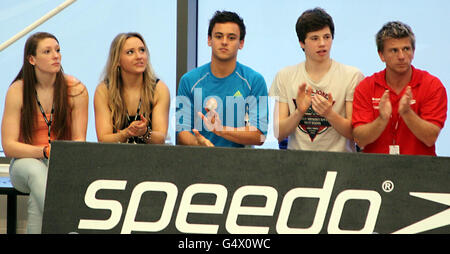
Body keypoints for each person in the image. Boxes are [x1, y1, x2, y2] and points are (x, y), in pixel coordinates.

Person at [1, 32, 89, 233]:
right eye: (47, 52)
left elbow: (78, 142)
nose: (55, 56)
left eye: (57, 50)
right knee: (36, 171)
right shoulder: (18, 90)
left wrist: (56, 156)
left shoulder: (76, 89)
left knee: (38, 202)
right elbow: (9, 147)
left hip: (61, 164)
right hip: (25, 163)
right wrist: (44, 152)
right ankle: (67, 225)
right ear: (32, 59)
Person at [269, 7, 364, 152]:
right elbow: (279, 133)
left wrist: (329, 114)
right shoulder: (285, 76)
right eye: (315, 38)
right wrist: (299, 112)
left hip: (341, 164)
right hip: (298, 164)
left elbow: (356, 135)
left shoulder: (352, 75)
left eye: (327, 37)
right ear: (301, 42)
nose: (322, 43)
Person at [352, 21, 447, 156]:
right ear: (381, 55)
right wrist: (382, 119)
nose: (402, 56)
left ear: (413, 52)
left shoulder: (432, 85)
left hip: (419, 169)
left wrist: (407, 113)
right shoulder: (366, 87)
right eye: (394, 50)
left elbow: (430, 138)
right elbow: (360, 139)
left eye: (406, 49)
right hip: (375, 169)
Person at [176, 11, 268, 147]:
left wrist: (221, 130)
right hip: (198, 162)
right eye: (219, 36)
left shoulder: (254, 81)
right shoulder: (189, 80)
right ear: (209, 40)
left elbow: (259, 136)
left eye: (231, 38)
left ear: (241, 43)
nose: (224, 42)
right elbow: (182, 132)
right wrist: (200, 144)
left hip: (241, 164)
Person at [94, 32, 170, 144]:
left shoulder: (159, 89)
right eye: (130, 52)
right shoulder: (104, 90)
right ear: (117, 60)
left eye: (142, 50)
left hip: (151, 158)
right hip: (115, 158)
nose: (139, 56)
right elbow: (103, 139)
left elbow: (160, 138)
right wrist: (126, 133)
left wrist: (145, 133)